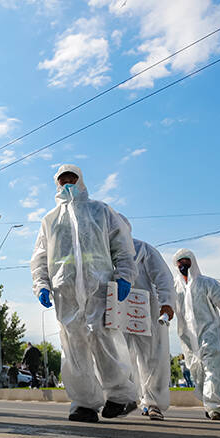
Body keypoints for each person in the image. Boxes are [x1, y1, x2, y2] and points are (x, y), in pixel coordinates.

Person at [31, 164, 138, 423]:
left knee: (104, 341)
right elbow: (40, 256)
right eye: (62, 180)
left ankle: (120, 396)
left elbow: (122, 246)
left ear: (81, 181)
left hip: (99, 287)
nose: (67, 183)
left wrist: (124, 275)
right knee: (73, 346)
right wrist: (41, 284)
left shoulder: (100, 211)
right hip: (65, 292)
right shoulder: (50, 219)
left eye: (72, 178)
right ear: (56, 185)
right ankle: (84, 403)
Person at [118, 215, 176, 421]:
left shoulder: (144, 249)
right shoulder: (105, 253)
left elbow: (162, 276)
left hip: (147, 310)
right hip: (118, 312)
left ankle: (153, 404)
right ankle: (128, 399)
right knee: (123, 358)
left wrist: (167, 302)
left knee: (152, 357)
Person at [173, 248, 220, 420]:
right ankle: (209, 403)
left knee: (213, 369)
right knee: (197, 372)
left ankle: (216, 407)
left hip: (208, 334)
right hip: (187, 340)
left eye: (186, 261)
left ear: (193, 262)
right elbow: (164, 303)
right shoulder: (175, 288)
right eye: (180, 262)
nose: (183, 265)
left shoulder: (207, 283)